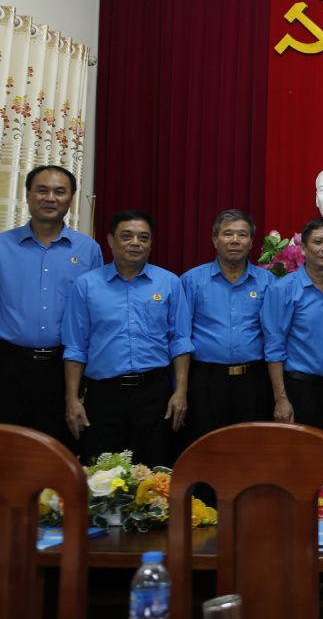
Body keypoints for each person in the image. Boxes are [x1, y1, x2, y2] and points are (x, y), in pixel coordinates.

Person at [62, 211, 193, 465]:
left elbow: (180, 341)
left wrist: (181, 392)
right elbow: (76, 347)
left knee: (154, 474)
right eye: (127, 236)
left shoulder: (169, 283)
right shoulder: (86, 285)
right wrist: (71, 399)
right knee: (102, 474)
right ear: (110, 241)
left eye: (143, 237)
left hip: (154, 394)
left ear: (151, 243)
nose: (136, 242)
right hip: (103, 396)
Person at [0, 165, 102, 447]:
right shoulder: (2, 246)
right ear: (28, 195)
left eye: (60, 192)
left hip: (64, 368)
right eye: (42, 190)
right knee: (9, 449)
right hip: (9, 365)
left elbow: (95, 312)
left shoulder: (88, 250)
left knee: (59, 449)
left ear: (70, 199)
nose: (50, 198)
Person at [179, 209, 275, 445]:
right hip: (206, 381)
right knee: (206, 448)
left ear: (251, 242)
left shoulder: (268, 282)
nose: (235, 240)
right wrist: (179, 389)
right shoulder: (192, 280)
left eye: (242, 235)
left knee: (251, 449)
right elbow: (181, 336)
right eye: (227, 234)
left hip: (253, 381)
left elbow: (275, 337)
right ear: (214, 239)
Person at [262, 217, 323, 437]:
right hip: (300, 390)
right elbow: (273, 347)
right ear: (303, 249)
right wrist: (281, 399)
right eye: (318, 242)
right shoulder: (283, 289)